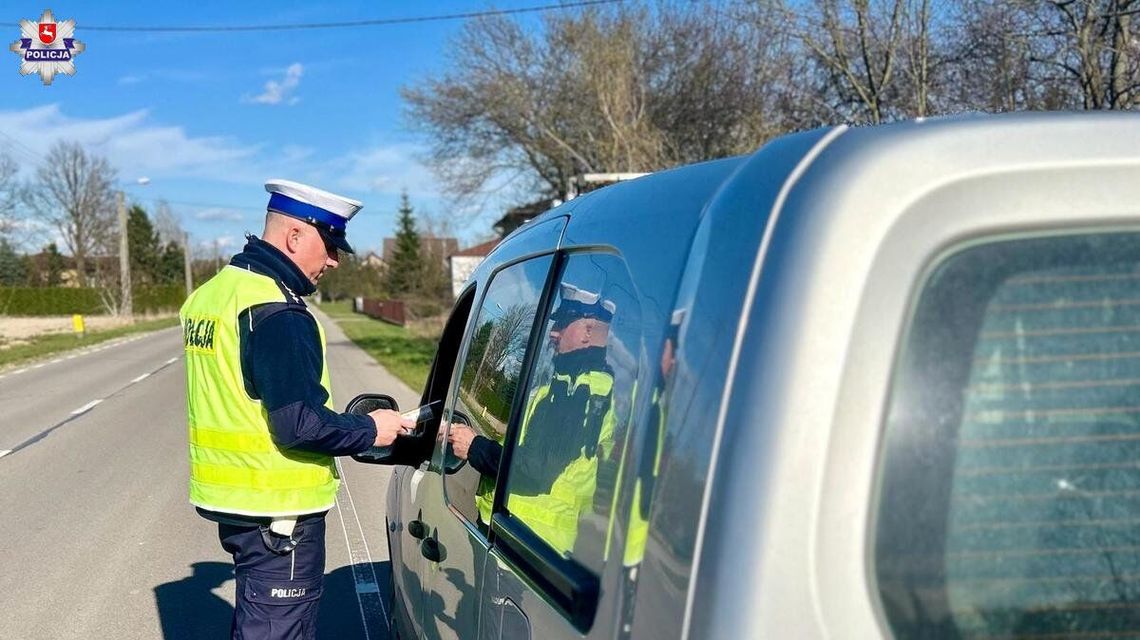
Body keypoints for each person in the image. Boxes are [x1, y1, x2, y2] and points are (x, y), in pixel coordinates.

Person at [180, 179, 413, 640]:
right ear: (294, 236)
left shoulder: (213, 294)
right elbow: (299, 424)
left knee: (259, 622)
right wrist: (371, 429)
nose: (333, 261)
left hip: (236, 502)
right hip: (278, 513)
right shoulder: (277, 310)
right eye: (330, 246)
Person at [449, 283, 617, 555]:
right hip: (525, 538)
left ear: (587, 332)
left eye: (562, 323)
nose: (552, 332)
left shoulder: (580, 391)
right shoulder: (572, 384)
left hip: (523, 542)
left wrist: (474, 446)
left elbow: (534, 470)